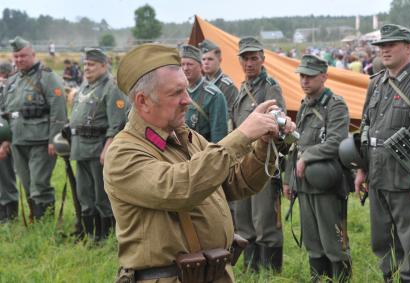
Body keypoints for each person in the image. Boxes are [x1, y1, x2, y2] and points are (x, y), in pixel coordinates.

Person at [103, 43, 296, 283]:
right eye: (176, 93)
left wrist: (265, 144)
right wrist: (242, 134)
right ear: (143, 101)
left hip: (214, 274)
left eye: (186, 90)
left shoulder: (186, 136)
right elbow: (180, 187)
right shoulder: (123, 153)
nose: (187, 100)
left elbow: (236, 183)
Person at [355, 24, 410, 282]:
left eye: (391, 44)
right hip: (378, 175)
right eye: (382, 45)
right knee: (382, 240)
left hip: (408, 179)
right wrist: (362, 169)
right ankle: (389, 277)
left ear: (408, 47)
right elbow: (366, 128)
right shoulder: (376, 83)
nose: (384, 50)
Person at [283, 55, 352, 282]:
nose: (304, 81)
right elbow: (297, 145)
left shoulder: (336, 104)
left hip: (327, 183)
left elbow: (336, 141)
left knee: (334, 243)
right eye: (302, 76)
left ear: (324, 76)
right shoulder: (304, 105)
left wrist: (307, 157)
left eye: (310, 76)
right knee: (313, 242)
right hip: (305, 184)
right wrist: (289, 179)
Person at [231, 37, 285, 272]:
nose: (249, 63)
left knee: (266, 223)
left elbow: (278, 122)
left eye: (254, 58)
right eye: (245, 58)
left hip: (263, 164)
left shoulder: (270, 87)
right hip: (242, 163)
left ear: (262, 60)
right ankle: (250, 271)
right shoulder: (242, 88)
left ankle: (271, 274)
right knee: (244, 220)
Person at [3, 37, 67, 220]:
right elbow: (7, 113)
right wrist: (6, 139)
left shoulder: (47, 77)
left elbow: (59, 109)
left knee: (39, 184)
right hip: (17, 140)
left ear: (33, 54)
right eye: (16, 56)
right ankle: (35, 220)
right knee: (26, 182)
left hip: (41, 140)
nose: (19, 60)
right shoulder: (13, 80)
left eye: (23, 56)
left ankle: (44, 222)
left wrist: (54, 138)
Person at [69, 48, 128, 240]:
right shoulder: (85, 87)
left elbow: (117, 122)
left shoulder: (112, 88)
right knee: (84, 194)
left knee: (102, 196)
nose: (87, 68)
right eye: (85, 64)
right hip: (80, 149)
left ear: (104, 65)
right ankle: (90, 234)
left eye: (91, 64)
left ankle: (106, 236)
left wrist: (108, 146)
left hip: (99, 150)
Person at [180, 44, 228, 143]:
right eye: (182, 64)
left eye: (190, 64)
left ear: (200, 66)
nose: (185, 68)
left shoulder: (213, 95)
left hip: (203, 153)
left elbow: (219, 137)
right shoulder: (178, 91)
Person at [199, 39, 239, 131]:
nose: (206, 62)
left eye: (210, 59)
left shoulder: (227, 86)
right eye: (203, 59)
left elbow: (230, 117)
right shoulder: (200, 84)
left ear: (220, 60)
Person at [0, 61, 18, 223]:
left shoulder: (8, 91)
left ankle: (10, 214)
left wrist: (6, 142)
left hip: (5, 141)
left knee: (6, 177)